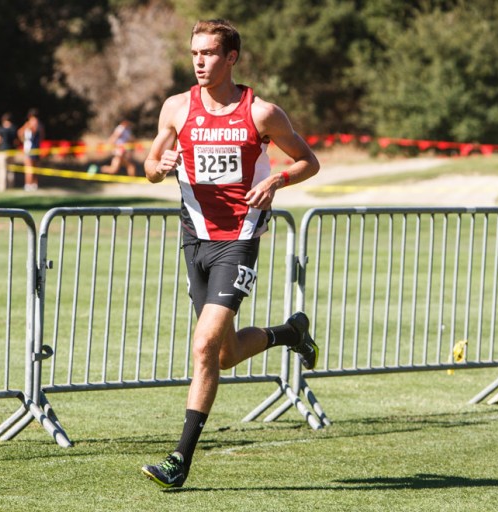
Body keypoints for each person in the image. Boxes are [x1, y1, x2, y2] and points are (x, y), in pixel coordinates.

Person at [140, 19, 320, 489]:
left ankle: (179, 460)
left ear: (232, 58)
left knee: (202, 347)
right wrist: (158, 166)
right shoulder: (177, 108)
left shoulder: (260, 113)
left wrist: (276, 179)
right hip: (193, 238)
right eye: (195, 53)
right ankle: (290, 332)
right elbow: (149, 164)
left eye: (209, 54)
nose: (199, 62)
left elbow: (308, 160)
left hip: (238, 240)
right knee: (223, 355)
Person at [17, 108, 44, 191]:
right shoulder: (40, 124)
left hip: (29, 149)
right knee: (34, 168)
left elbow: (19, 132)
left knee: (29, 168)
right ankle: (34, 184)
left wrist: (23, 139)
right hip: (36, 148)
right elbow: (42, 136)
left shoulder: (30, 123)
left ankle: (28, 184)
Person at [0, 113, 18, 191]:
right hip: (11, 151)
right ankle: (11, 187)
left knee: (2, 170)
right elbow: (16, 141)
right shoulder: (14, 128)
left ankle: (2, 188)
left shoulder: (0, 129)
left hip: (2, 151)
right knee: (11, 171)